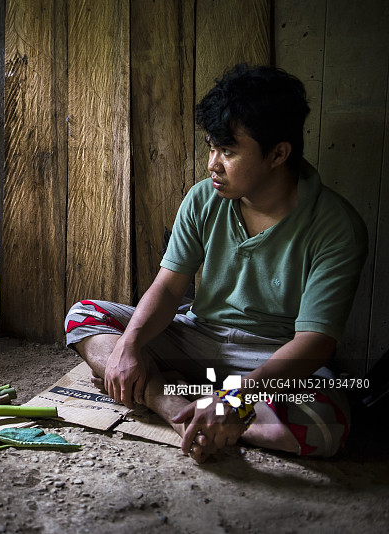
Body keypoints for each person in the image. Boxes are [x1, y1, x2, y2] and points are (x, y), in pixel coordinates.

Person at [65, 64, 368, 463]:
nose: (212, 164)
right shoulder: (203, 199)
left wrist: (237, 398)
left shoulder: (336, 226)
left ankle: (183, 400)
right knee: (84, 316)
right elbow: (170, 287)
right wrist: (131, 345)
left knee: (325, 427)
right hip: (197, 337)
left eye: (228, 151)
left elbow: (315, 344)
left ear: (278, 153)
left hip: (271, 358)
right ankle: (173, 408)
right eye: (211, 147)